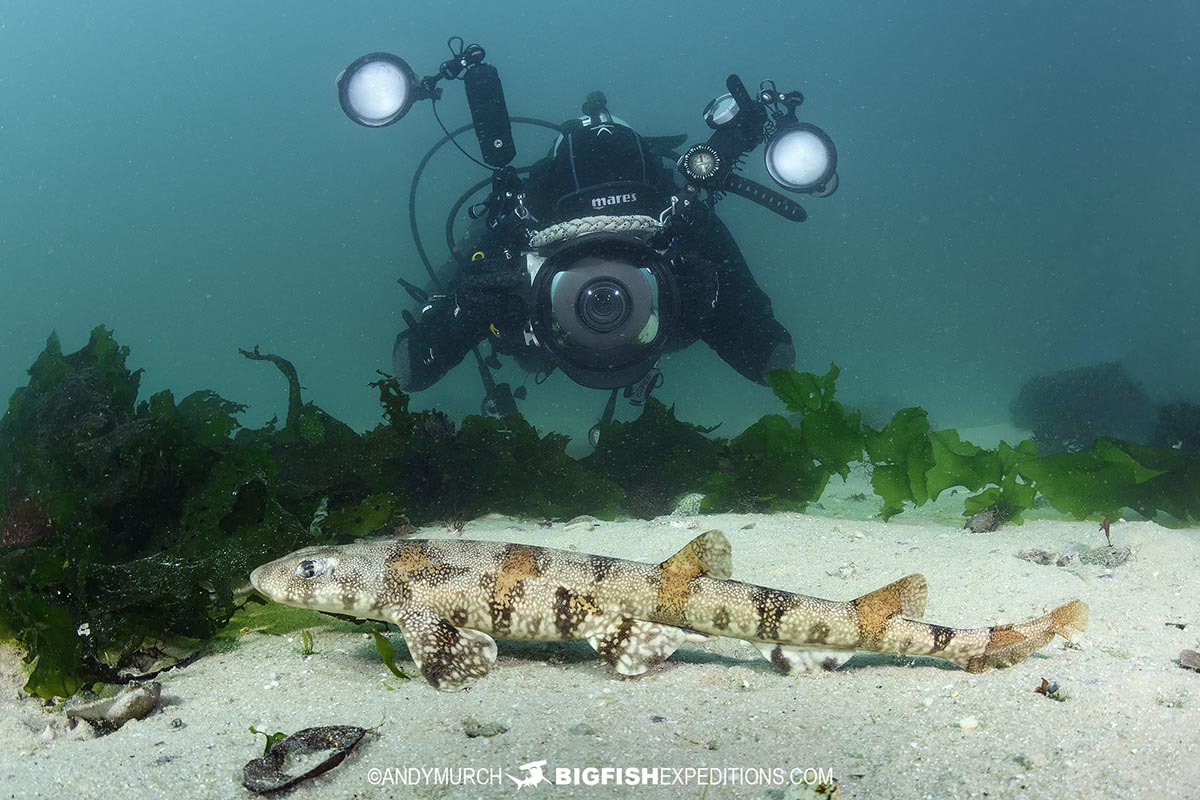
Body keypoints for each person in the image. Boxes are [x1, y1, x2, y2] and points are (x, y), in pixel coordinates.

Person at [392, 101, 796, 395]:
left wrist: (712, 303)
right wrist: (468, 312)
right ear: (543, 229)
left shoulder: (686, 230)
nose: (606, 291)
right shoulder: (513, 238)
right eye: (578, 251)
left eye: (632, 249)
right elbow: (411, 368)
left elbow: (770, 358)